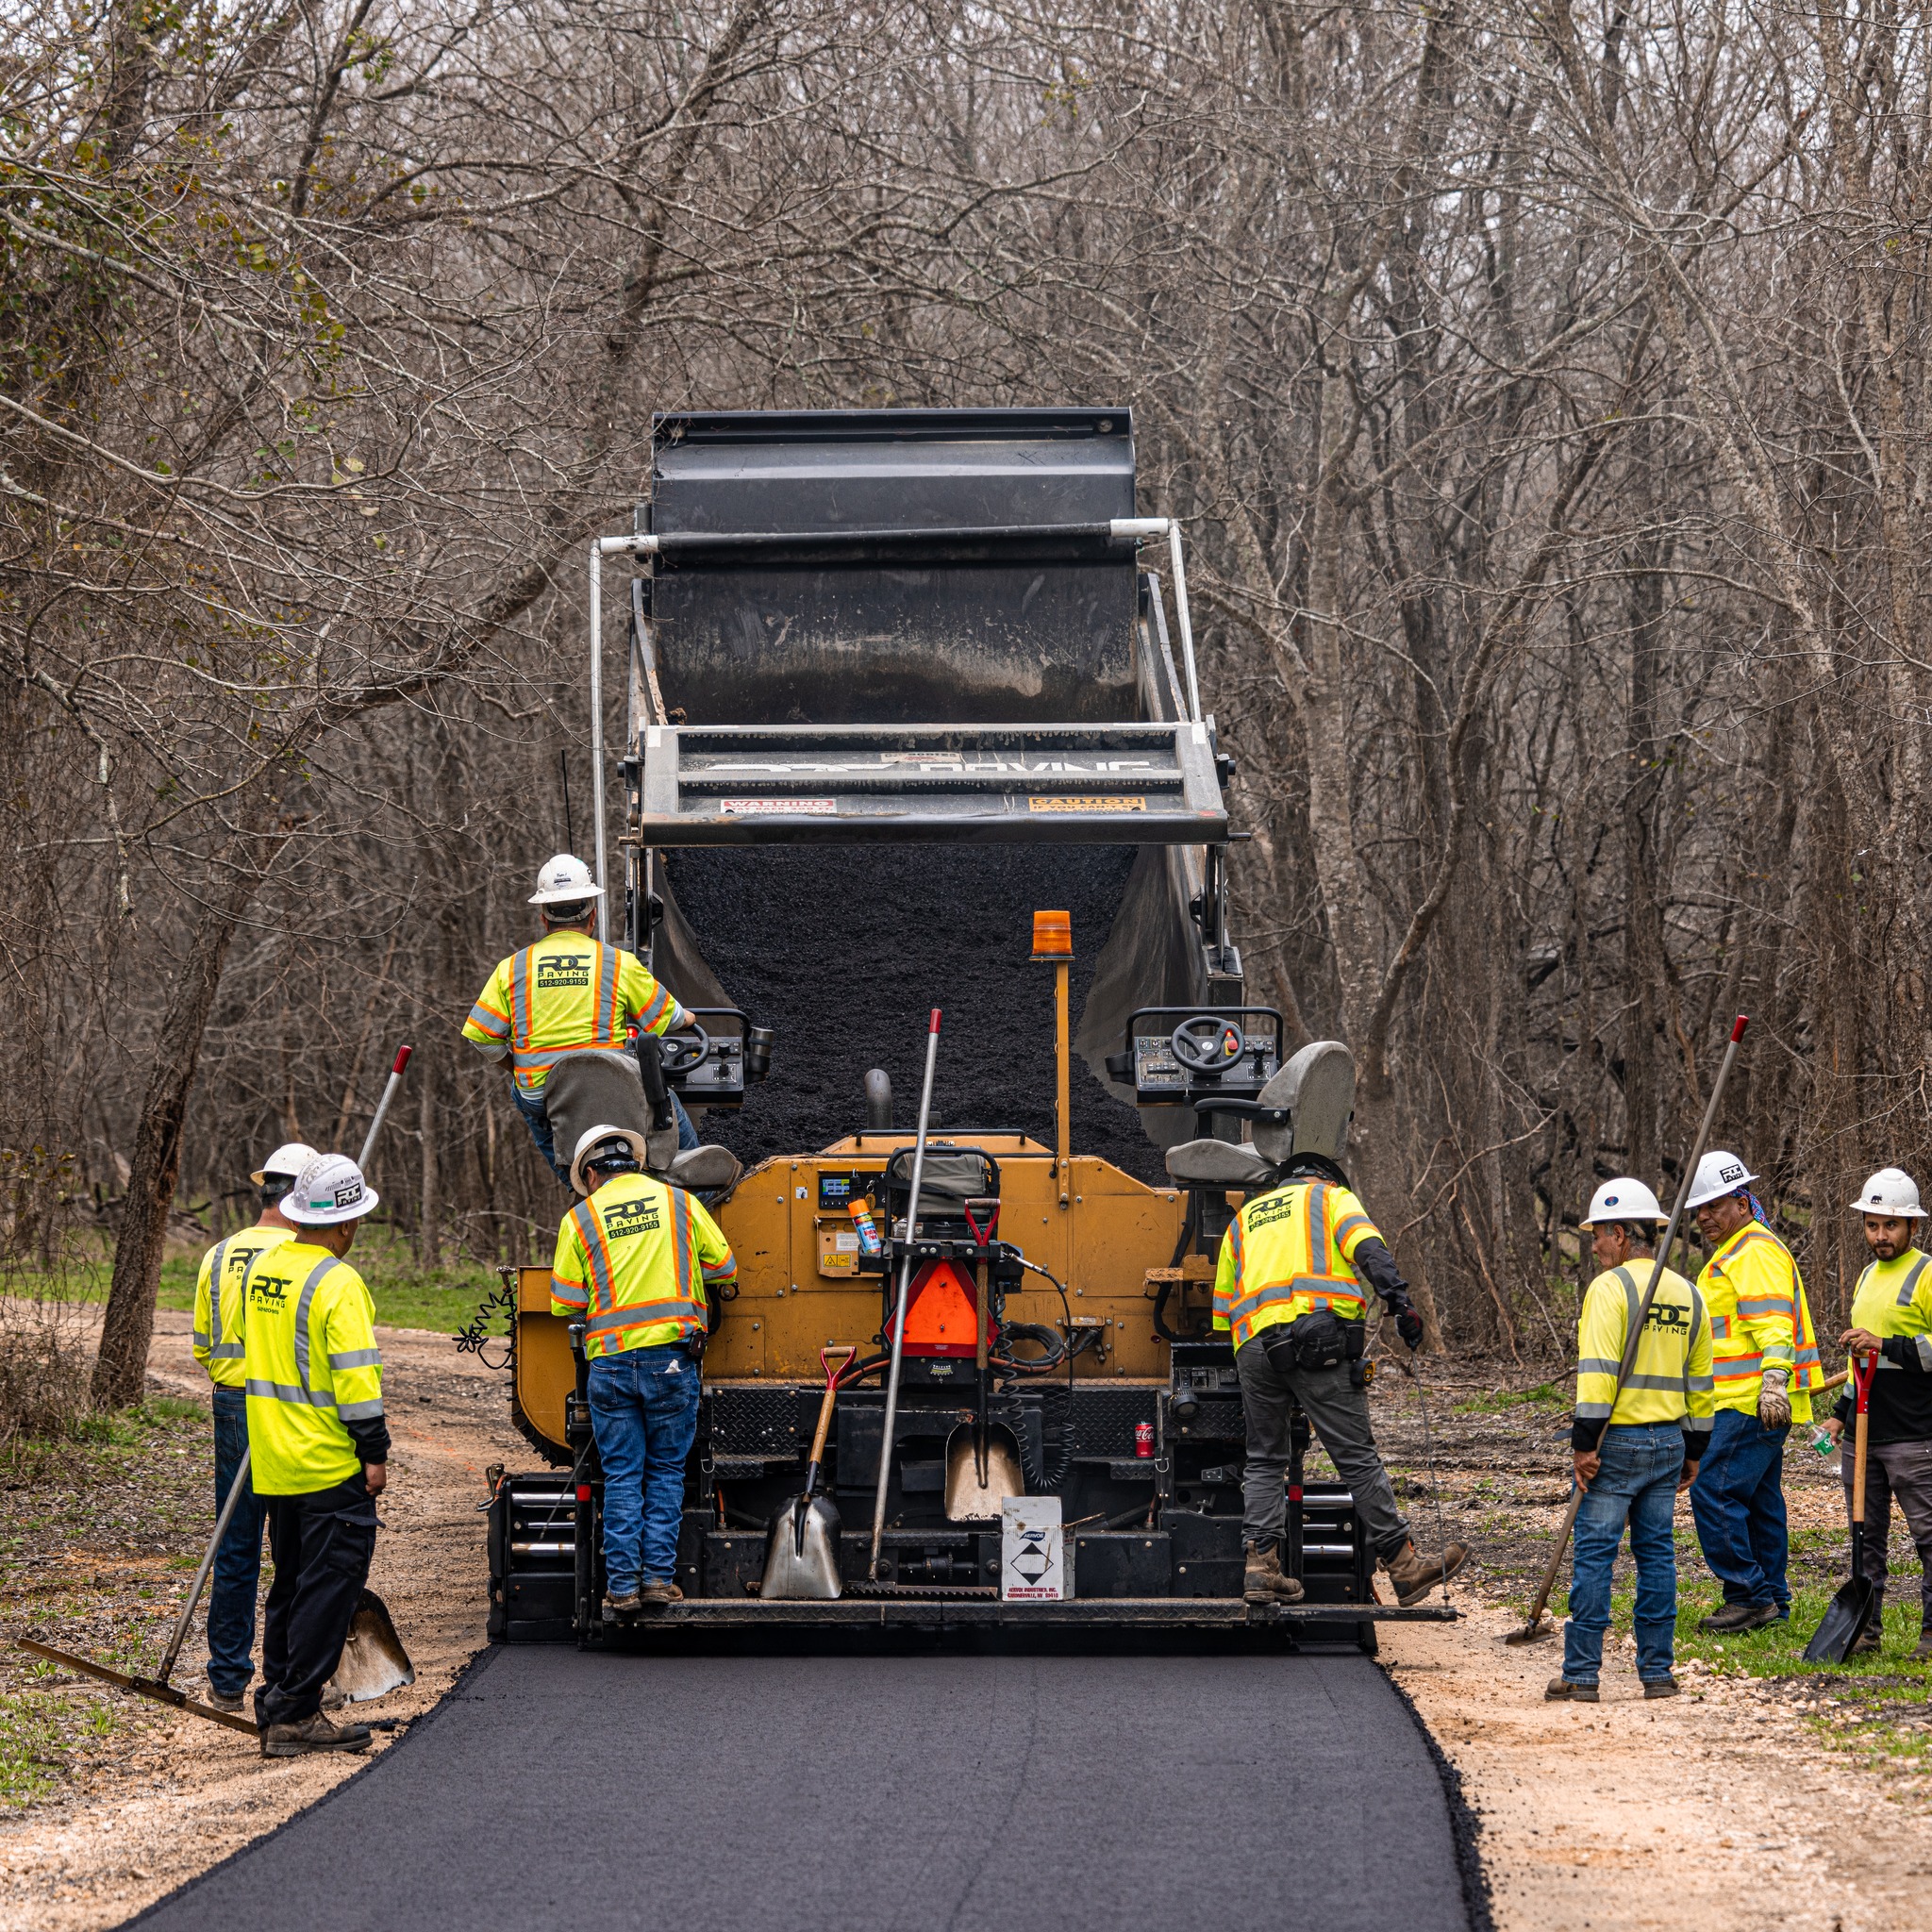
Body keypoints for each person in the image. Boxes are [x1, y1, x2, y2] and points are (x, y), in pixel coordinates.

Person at [1211, 1148, 1469, 1607]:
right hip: (1315, 1341)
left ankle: (1261, 1569)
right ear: (1325, 1177)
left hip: (1251, 1347)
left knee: (1266, 1458)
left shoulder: (1244, 1218)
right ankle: (1405, 1570)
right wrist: (1401, 1305)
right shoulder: (1331, 1199)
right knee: (1355, 1457)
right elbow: (1369, 1251)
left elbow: (1222, 1310)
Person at [550, 1124, 736, 1613]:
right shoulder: (681, 1204)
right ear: (634, 1162)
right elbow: (725, 1268)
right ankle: (657, 1581)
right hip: (672, 1363)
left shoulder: (581, 1220)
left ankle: (623, 1589)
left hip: (609, 1367)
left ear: (591, 1173)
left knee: (623, 1475)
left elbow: (564, 1302)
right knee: (667, 1473)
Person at [242, 1152, 390, 1757]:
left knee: (290, 1585)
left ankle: (278, 1697)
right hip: (329, 1463)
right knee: (329, 1588)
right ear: (349, 1224)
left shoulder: (263, 1268)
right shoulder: (338, 1282)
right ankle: (298, 1713)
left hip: (275, 1458)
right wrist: (374, 1451)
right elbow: (356, 1380)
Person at [1547, 1180, 1713, 1704]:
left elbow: (1596, 1375)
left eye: (1597, 1235)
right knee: (1657, 1557)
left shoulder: (1610, 1290)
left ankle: (1581, 1676)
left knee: (1596, 1556)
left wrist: (1584, 1443)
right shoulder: (1688, 1293)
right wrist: (1694, 1450)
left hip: (1615, 1443)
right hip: (1668, 1443)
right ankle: (1657, 1673)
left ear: (1620, 1233)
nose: (1592, 1246)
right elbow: (1700, 1383)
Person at [462, 854, 698, 1185]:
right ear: (592, 915)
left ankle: (571, 1175)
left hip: (545, 1096)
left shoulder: (511, 968)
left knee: (522, 1093)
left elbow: (481, 1036)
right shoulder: (617, 963)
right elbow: (667, 1017)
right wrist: (687, 1017)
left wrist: (516, 1067)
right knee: (662, 1096)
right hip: (612, 1090)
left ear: (544, 919)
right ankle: (695, 1181)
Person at [189, 1141, 315, 1714]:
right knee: (295, 1547)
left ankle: (226, 1679)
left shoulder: (217, 1256)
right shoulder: (305, 1258)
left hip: (231, 1404)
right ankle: (291, 1675)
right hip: (288, 1410)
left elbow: (200, 1346)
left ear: (265, 1189)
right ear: (300, 1194)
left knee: (236, 1545)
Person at [1684, 1149, 1824, 1633]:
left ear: (1742, 1203)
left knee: (1713, 1491)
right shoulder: (1740, 1250)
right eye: (1698, 1210)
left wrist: (1774, 1381)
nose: (1704, 1217)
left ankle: (1747, 1595)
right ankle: (1773, 1599)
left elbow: (1773, 1323)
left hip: (1749, 1400)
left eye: (1714, 1206)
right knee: (1760, 1500)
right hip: (1748, 1399)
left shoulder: (1753, 1251)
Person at [1820, 1167, 1932, 1660]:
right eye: (1872, 1224)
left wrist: (1886, 1342)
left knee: (1929, 1537)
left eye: (1890, 1225)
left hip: (1914, 1434)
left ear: (1912, 1227)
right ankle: (1865, 1629)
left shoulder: (1927, 1274)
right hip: (1863, 1434)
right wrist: (1839, 1415)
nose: (1880, 1235)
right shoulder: (1865, 1275)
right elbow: (1860, 1360)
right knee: (1866, 1540)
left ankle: (1931, 1634)